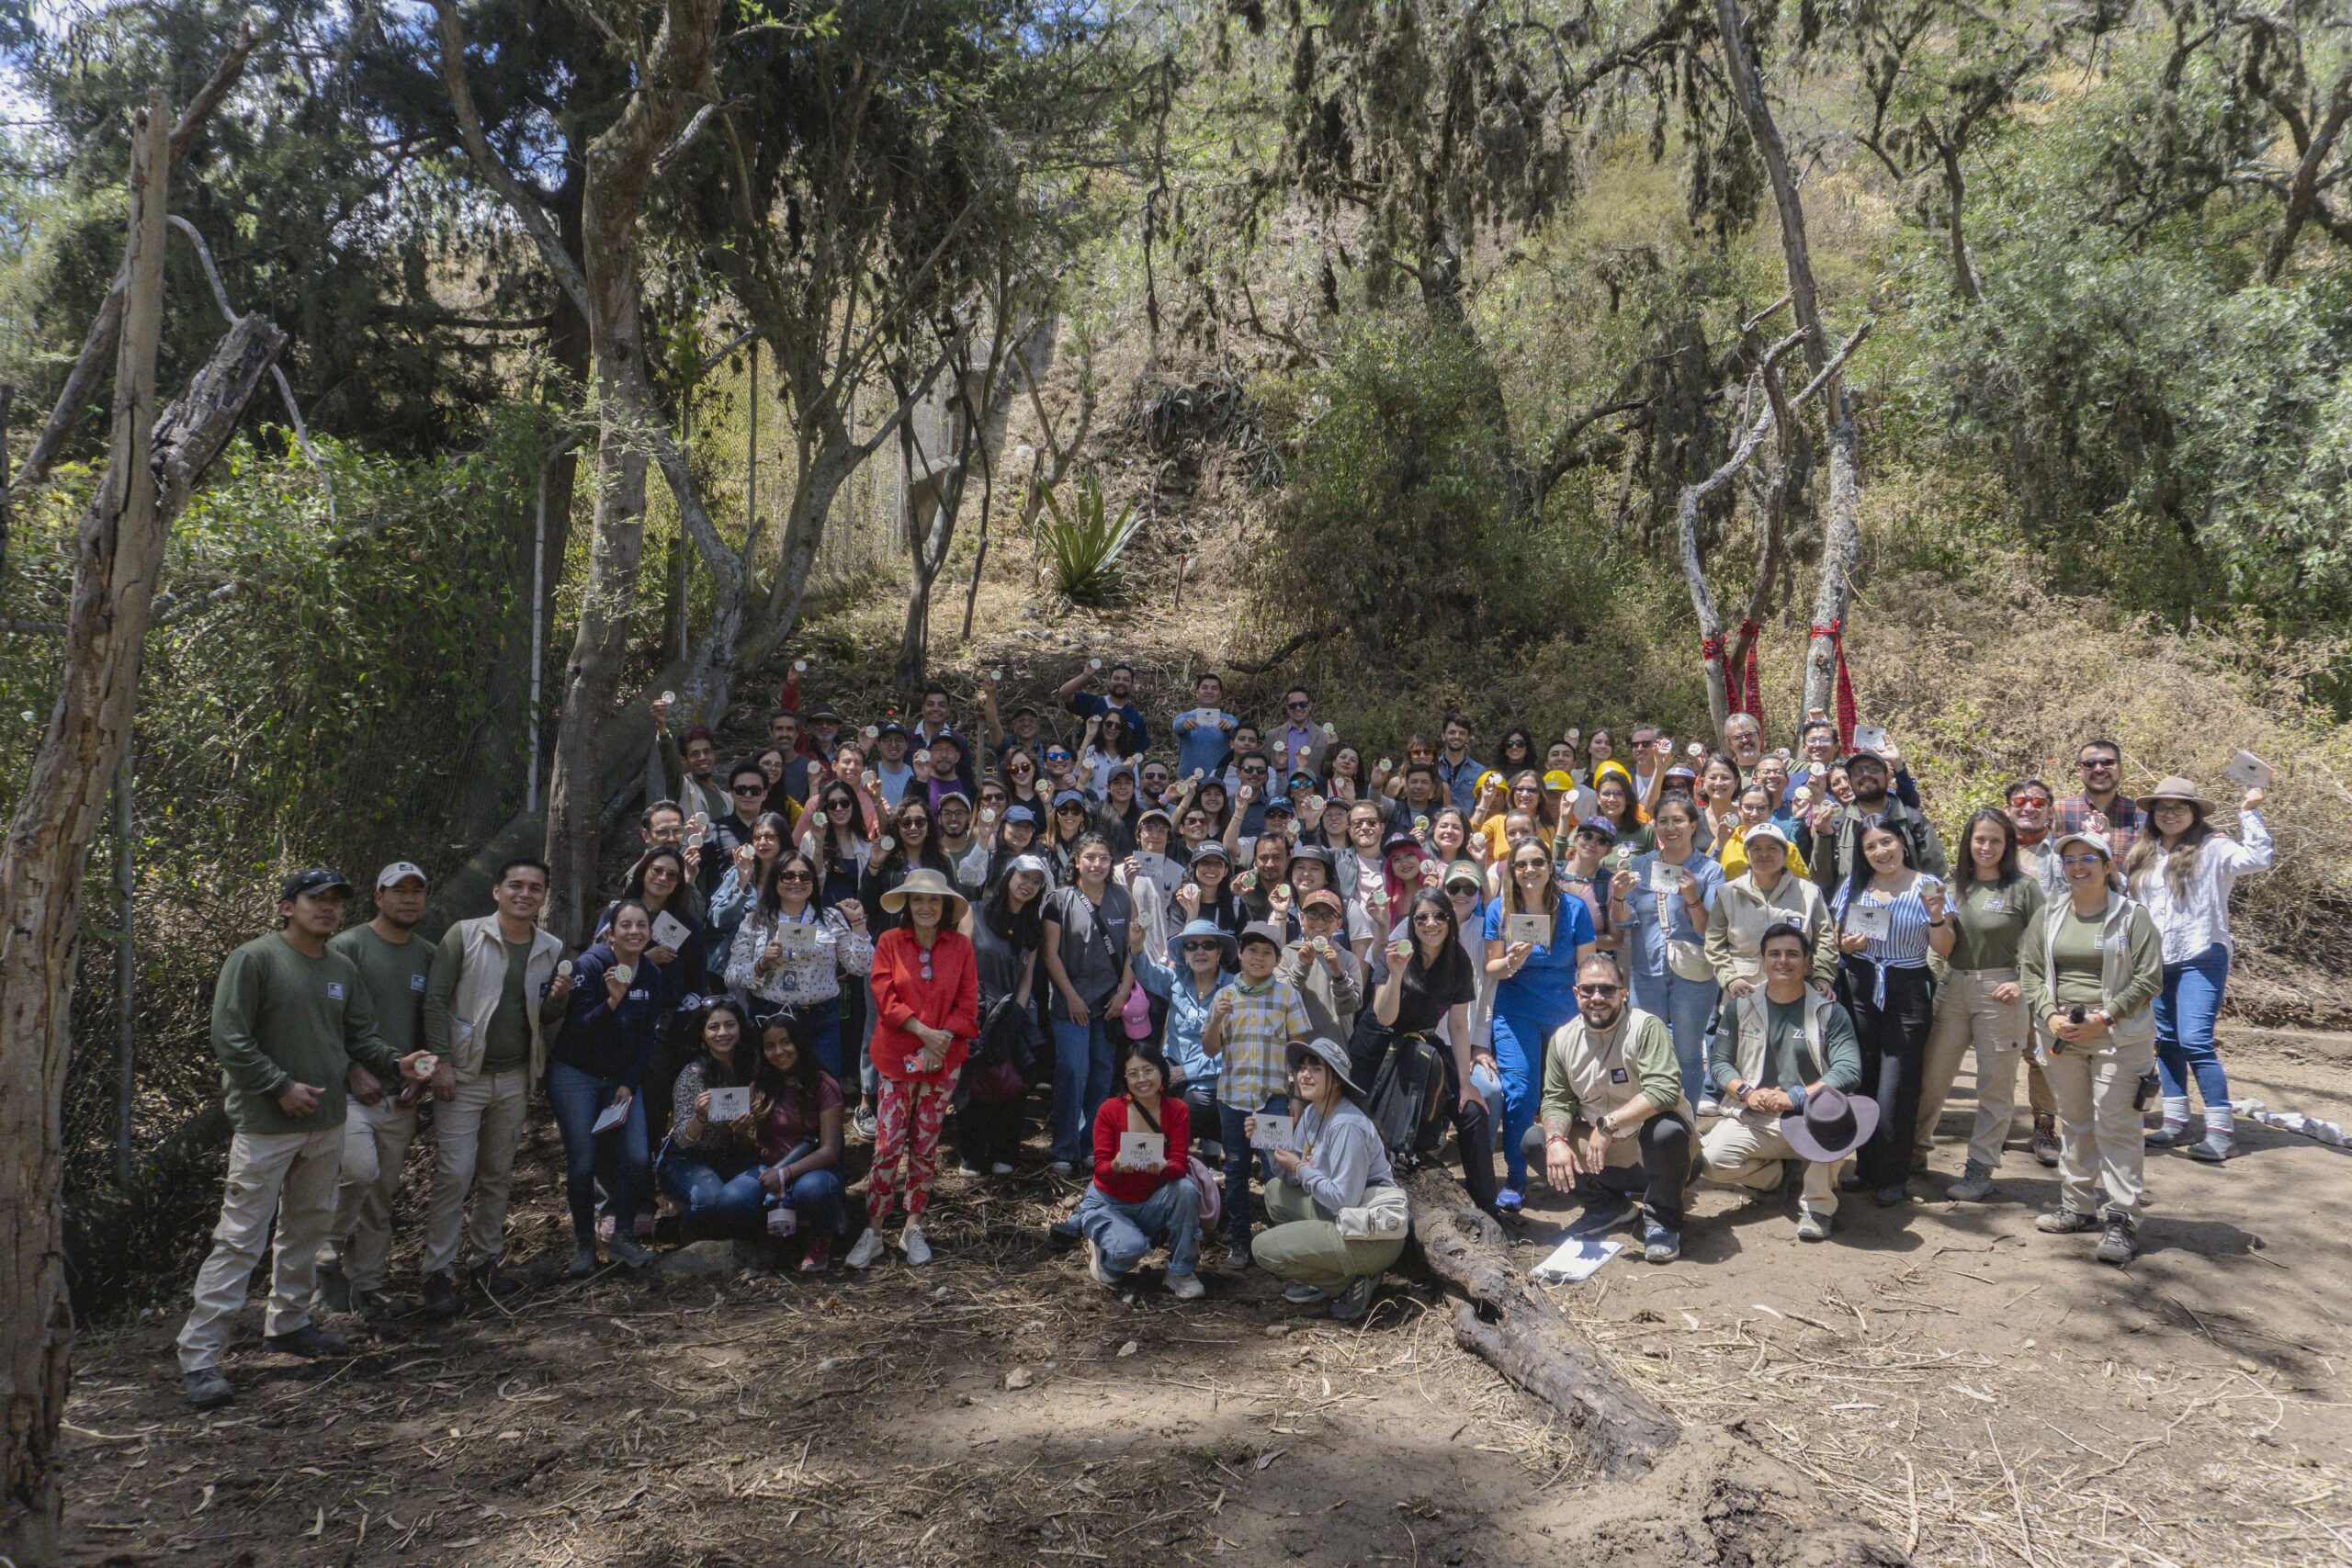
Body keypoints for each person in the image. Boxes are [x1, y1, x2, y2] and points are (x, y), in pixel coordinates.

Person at [176, 869, 436, 1408]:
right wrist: (279, 1086)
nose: (328, 909)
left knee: (307, 1225)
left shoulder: (341, 967)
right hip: (267, 1124)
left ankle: (290, 1323)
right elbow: (229, 1036)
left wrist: (395, 1061)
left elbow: (359, 1034)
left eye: (336, 901)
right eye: (316, 900)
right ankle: (200, 1357)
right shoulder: (255, 959)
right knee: (241, 1237)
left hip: (327, 1121)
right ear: (286, 907)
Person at [419, 856, 569, 1318]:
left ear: (544, 897)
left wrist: (559, 998)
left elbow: (539, 1017)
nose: (525, 894)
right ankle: (437, 1272)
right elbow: (436, 1000)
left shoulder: (549, 946)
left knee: (497, 1173)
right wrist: (440, 1062)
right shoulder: (465, 935)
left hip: (514, 1076)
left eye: (535, 888)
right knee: (453, 1174)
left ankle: (484, 1263)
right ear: (496, 890)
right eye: (516, 886)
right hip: (463, 1076)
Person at [2021, 829, 2164, 1264]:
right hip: (2062, 1033)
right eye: (2069, 860)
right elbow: (2030, 971)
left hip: (2117, 1036)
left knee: (2117, 1125)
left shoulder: (2131, 916)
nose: (2078, 866)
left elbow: (2149, 978)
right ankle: (2078, 1206)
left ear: (2107, 866)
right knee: (2077, 1121)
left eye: (2088, 858)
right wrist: (2049, 1016)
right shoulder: (2048, 915)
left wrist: (2104, 1016)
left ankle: (2122, 1217)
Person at [2126, 775, 2271, 1162]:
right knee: (2166, 1042)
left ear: (2194, 812)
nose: (2169, 814)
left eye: (2178, 807)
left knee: (2195, 1040)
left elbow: (2258, 859)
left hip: (2201, 954)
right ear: (2152, 814)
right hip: (2154, 961)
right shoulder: (2144, 854)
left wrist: (2249, 812)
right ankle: (2175, 1123)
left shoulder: (2215, 847)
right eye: (2162, 808)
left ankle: (2222, 1132)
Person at [319, 861, 437, 1322]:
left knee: (382, 1193)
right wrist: (350, 1070)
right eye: (398, 890)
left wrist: (419, 1076)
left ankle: (365, 1288)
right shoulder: (346, 948)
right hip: (349, 1094)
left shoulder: (428, 953)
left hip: (400, 1095)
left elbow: (432, 1024)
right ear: (377, 897)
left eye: (417, 890)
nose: (408, 898)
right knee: (358, 1172)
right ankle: (321, 1263)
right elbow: (325, 1021)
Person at [1701, 923, 1869, 1241]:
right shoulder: (1741, 1007)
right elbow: (1720, 1063)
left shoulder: (1830, 1011)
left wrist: (1797, 1097)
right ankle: (1777, 1178)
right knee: (1710, 1161)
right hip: (1758, 1115)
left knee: (1834, 1130)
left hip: (1811, 1117)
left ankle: (1818, 1207)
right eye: (1774, 954)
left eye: (1793, 954)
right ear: (1762, 961)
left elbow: (1848, 1070)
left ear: (1807, 962)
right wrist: (1747, 1093)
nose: (1783, 961)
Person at [1524, 954, 1692, 1263]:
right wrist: (1555, 1141)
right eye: (1588, 990)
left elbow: (1664, 1090)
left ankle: (1663, 1221)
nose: (1597, 998)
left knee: (1666, 1130)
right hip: (1603, 1155)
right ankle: (1608, 1208)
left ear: (1623, 992)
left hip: (1656, 1151)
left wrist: (1608, 1124)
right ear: (1576, 994)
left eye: (1607, 990)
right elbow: (1556, 1100)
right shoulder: (1563, 1039)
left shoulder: (1645, 1027)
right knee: (1535, 1141)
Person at [850, 869, 980, 1268]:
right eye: (918, 900)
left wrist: (941, 1040)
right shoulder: (890, 942)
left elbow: (969, 1001)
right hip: (895, 1060)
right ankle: (873, 1230)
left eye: (934, 901)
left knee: (925, 1145)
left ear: (945, 908)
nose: (926, 907)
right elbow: (884, 999)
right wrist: (925, 1031)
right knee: (887, 1145)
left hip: (943, 1061)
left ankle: (913, 1227)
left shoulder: (959, 946)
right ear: (907, 905)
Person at [1918, 808, 2046, 1201]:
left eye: (1995, 840)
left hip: (2001, 989)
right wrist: (1936, 917)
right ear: (1968, 843)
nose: (1986, 847)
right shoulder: (1953, 884)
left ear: (2008, 845)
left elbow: (2047, 945)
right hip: (1953, 985)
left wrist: (2024, 984)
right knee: (1932, 1079)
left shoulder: (2024, 888)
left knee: (1995, 1085)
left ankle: (1980, 1167)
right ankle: (1912, 1153)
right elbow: (1944, 946)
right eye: (1979, 839)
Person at [1832, 821, 1954, 1205]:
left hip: (1907, 985)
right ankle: (1865, 1168)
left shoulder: (1927, 885)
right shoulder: (1855, 885)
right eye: (1871, 847)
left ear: (1902, 843)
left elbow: (1947, 946)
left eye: (1887, 842)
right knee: (1864, 1079)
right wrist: (1848, 946)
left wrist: (1935, 915)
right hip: (1860, 985)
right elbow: (1837, 938)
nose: (1881, 852)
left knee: (1897, 1086)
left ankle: (1893, 1175)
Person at [1249, 1037, 1408, 1322]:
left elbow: (1343, 1197)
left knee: (1263, 1250)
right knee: (1274, 1192)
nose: (1305, 1075)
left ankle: (1349, 1282)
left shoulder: (1346, 1124)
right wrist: (1269, 1145)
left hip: (1370, 1234)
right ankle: (1330, 1269)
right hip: (1343, 1216)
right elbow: (1291, 1178)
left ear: (1335, 1079)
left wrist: (1299, 1167)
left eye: (1316, 1068)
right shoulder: (1312, 1113)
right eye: (1302, 1067)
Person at [552, 900, 672, 1274]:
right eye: (626, 925)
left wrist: (627, 1083)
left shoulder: (651, 974)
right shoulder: (591, 965)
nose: (634, 932)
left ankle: (622, 1237)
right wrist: (612, 1001)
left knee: (637, 1158)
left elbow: (645, 1038)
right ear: (611, 931)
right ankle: (584, 1247)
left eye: (642, 925)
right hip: (576, 1074)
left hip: (619, 1080)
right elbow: (577, 1028)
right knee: (583, 1163)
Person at [1484, 839, 1599, 1211]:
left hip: (1566, 1011)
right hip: (1517, 1010)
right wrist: (1511, 962)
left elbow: (1587, 967)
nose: (1529, 870)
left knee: (1581, 1093)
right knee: (1521, 1093)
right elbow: (1492, 968)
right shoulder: (1498, 911)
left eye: (1537, 862)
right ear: (1512, 871)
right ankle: (1518, 1175)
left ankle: (1596, 1173)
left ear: (1551, 866)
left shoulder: (1575, 909)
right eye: (1521, 864)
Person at [1367, 890, 1496, 1216]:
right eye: (1421, 917)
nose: (1431, 923)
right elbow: (1384, 1017)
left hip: (1425, 1046)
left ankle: (1486, 1205)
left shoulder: (1459, 959)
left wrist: (1465, 1082)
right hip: (1380, 1045)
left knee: (1473, 1114)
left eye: (1439, 915)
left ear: (1450, 921)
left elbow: (1458, 1026)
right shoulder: (1394, 954)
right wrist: (1396, 975)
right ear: (1412, 923)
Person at [1203, 921, 1314, 1266]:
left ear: (1278, 959)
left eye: (1267, 953)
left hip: (1273, 1099)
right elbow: (1208, 1050)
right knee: (1235, 1169)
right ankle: (1240, 1241)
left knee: (1276, 1168)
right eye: (1252, 951)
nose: (1258, 958)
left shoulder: (1286, 996)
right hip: (1233, 1099)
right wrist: (1217, 1021)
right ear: (1239, 953)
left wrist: (1296, 1098)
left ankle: (1281, 1240)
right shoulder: (1224, 996)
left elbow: (1300, 1051)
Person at [1611, 795, 1723, 1111]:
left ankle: (1685, 1126)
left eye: (1678, 820)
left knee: (1687, 1053)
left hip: (1694, 974)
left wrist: (1692, 898)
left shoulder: (1710, 870)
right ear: (1654, 825)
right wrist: (1618, 898)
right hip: (1647, 973)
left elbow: (1710, 930)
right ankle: (1651, 1119)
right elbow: (1624, 921)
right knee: (1647, 1051)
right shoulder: (1640, 866)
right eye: (1663, 821)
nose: (1670, 827)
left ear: (1692, 825)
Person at [1074, 1043, 1206, 1299]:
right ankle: (1105, 1249)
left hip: (1152, 1200)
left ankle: (1180, 1272)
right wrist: (1116, 1165)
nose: (1142, 1080)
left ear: (1161, 1072)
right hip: (1110, 1201)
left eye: (1148, 1071)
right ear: (1124, 1078)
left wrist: (1163, 1169)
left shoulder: (1178, 1110)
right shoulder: (1109, 1110)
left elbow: (1179, 1166)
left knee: (1186, 1190)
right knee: (1127, 1253)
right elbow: (1100, 1170)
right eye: (1133, 1074)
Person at [725, 852, 873, 1079]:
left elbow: (861, 967)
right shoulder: (755, 921)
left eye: (805, 877)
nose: (797, 882)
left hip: (820, 1020)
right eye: (788, 876)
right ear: (776, 880)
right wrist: (761, 964)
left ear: (813, 883)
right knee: (773, 1093)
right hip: (771, 1019)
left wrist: (858, 924)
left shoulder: (831, 918)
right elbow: (732, 977)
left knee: (825, 1091)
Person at [1041, 835, 1137, 1172]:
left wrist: (1123, 993)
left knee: (1101, 1074)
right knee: (1071, 1071)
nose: (1097, 864)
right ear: (1077, 861)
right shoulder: (1059, 899)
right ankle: (1064, 1148)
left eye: (1104, 858)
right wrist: (1071, 997)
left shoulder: (1123, 899)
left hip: (1108, 1004)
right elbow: (1050, 954)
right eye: (1090, 858)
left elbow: (1132, 951)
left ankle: (1089, 1145)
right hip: (1071, 1003)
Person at [955, 859, 1046, 1176]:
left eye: (1036, 881)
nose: (1028, 885)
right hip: (973, 1008)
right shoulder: (973, 911)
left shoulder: (1032, 927)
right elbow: (958, 961)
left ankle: (1005, 1151)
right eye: (1024, 876)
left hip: (1009, 1011)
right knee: (973, 1080)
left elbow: (1027, 977)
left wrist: (1016, 1015)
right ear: (1009, 874)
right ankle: (971, 1154)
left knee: (1011, 1080)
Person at [748, 1009, 848, 1269]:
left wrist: (785, 1173)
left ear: (800, 1043)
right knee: (733, 1199)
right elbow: (750, 1147)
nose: (779, 1052)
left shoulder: (824, 1085)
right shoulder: (759, 1086)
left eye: (785, 1043)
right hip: (768, 1168)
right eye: (770, 1046)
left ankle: (820, 1240)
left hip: (813, 1170)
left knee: (812, 1191)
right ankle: (772, 1241)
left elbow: (830, 1151)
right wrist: (741, 1132)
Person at [660, 998, 765, 1239]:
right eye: (713, 1027)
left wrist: (744, 1131)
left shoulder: (753, 1068)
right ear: (702, 1034)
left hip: (733, 1155)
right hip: (687, 1158)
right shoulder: (692, 1075)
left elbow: (755, 1134)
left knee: (766, 1183)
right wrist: (700, 1117)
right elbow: (682, 1139)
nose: (722, 1033)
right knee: (709, 1198)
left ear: (740, 1028)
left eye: (730, 1025)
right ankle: (683, 1230)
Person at [2002, 776, 2064, 1166]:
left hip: (2046, 970)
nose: (2029, 807)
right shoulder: (1992, 850)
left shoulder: (2062, 856)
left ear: (2050, 810)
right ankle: (1992, 1124)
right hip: (1997, 966)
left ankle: (2044, 1127)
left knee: (2042, 1054)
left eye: (2038, 802)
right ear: (2008, 807)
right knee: (1996, 1053)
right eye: (2020, 800)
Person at [1705, 822, 1835, 1003]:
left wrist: (1822, 976)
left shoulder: (1809, 893)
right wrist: (1731, 979)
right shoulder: (1728, 893)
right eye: (1756, 848)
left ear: (1785, 853)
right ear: (1746, 854)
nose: (1764, 854)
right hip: (1743, 994)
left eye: (1772, 848)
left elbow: (1825, 940)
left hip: (1798, 995)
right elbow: (1714, 943)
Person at [1134, 917, 1238, 1138]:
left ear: (1219, 953)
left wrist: (1187, 1072)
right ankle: (1144, 1168)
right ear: (1184, 955)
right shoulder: (1175, 981)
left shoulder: (1235, 989)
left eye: (1208, 945)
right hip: (1170, 1074)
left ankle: (1177, 1167)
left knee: (1178, 1116)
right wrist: (1137, 945)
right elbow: (1145, 972)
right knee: (1135, 1108)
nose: (1199, 951)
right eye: (1191, 946)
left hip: (1213, 1082)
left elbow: (1236, 1051)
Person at [1806, 748, 1948, 891]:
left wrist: (1931, 905)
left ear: (1887, 777)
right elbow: (1821, 880)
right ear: (1851, 781)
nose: (1866, 774)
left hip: (1909, 908)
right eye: (1858, 771)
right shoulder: (1838, 825)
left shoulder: (1913, 820)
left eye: (1874, 769)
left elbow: (1938, 875)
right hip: (1857, 910)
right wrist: (1823, 835)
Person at [706, 810, 791, 987]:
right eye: (757, 837)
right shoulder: (737, 874)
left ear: (782, 838)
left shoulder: (794, 876)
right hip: (735, 967)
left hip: (782, 966)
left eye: (769, 836)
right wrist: (742, 882)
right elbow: (718, 920)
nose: (762, 842)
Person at [1277, 889, 1364, 1043]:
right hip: (1294, 1045)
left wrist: (1338, 973)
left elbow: (1351, 1006)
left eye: (1329, 916)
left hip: (1336, 1047)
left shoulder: (1348, 958)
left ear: (1338, 924)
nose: (1320, 921)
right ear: (1302, 918)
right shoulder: (1287, 953)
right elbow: (1279, 1000)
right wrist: (1302, 965)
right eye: (1313, 914)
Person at [2056, 739, 2145, 856]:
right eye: (2090, 764)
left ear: (2121, 768)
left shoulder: (2142, 815)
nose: (2099, 769)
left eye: (2107, 763)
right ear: (2079, 771)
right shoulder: (2058, 812)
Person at [1059, 658, 1150, 748]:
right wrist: (1085, 675)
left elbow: (1138, 751)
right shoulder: (1092, 703)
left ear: (1132, 685)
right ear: (1109, 681)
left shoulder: (1135, 719)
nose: (1121, 682)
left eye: (1126, 680)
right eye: (1116, 678)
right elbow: (1064, 693)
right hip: (1086, 760)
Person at [1171, 671, 1238, 782]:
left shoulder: (1229, 720)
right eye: (1204, 687)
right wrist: (1184, 724)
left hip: (1220, 785)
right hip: (1188, 783)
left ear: (1220, 694)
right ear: (1197, 693)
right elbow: (1177, 726)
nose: (1209, 691)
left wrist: (1231, 728)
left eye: (1214, 688)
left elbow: (1238, 731)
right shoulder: (1184, 717)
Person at [1436, 713, 1484, 811]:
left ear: (1467, 738)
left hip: (1468, 825)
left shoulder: (1480, 772)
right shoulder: (1432, 767)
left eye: (1462, 733)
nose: (1457, 736)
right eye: (1452, 732)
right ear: (1443, 736)